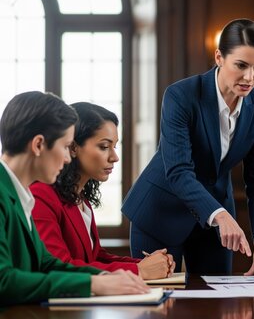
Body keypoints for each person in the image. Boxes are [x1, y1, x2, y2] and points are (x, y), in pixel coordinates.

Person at [122, 18, 254, 276]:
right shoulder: (181, 96)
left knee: (219, 304)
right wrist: (221, 216)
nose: (250, 77)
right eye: (241, 65)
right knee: (160, 305)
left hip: (215, 220)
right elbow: (178, 170)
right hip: (161, 211)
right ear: (219, 57)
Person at [0, 92, 149, 306]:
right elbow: (3, 281)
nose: (68, 157)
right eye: (64, 146)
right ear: (39, 145)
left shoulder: (19, 195)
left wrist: (107, 278)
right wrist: (93, 285)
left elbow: (46, 263)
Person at [30, 102, 175, 279]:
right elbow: (57, 266)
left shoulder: (81, 199)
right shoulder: (41, 194)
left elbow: (95, 256)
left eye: (114, 146)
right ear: (73, 147)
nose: (115, 157)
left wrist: (147, 264)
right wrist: (139, 271)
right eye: (104, 147)